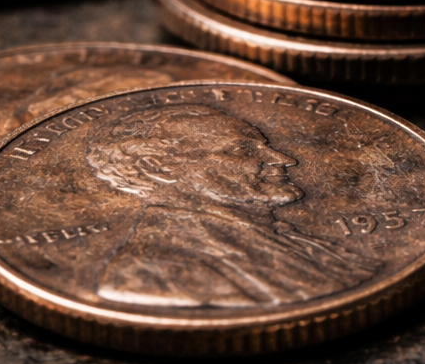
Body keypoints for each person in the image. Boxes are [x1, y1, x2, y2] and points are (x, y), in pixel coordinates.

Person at [86, 104, 378, 307]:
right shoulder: (155, 271)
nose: (282, 159)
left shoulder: (290, 237)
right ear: (156, 168)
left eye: (265, 146)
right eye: (242, 150)